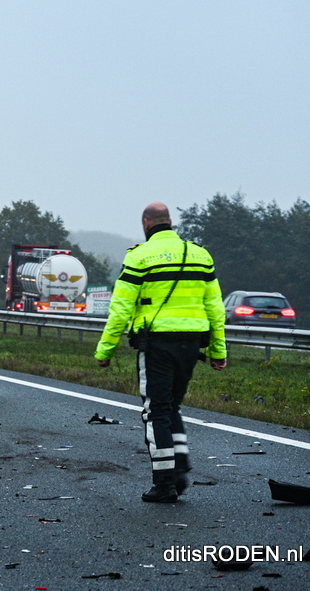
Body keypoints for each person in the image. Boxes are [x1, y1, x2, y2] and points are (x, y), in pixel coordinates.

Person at [95, 202, 227, 503]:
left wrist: (106, 350)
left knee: (156, 410)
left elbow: (121, 308)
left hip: (157, 344)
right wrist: (219, 350)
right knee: (171, 407)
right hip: (192, 344)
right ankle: (179, 466)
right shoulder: (200, 255)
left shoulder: (139, 257)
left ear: (146, 223)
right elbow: (215, 308)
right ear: (170, 222)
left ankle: (165, 483)